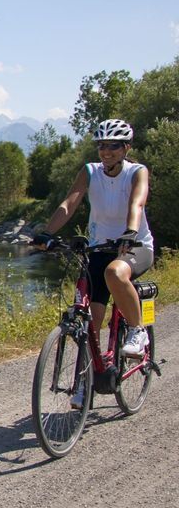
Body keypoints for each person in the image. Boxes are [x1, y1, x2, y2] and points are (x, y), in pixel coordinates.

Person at [33, 118, 154, 408]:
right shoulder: (90, 172)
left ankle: (137, 331)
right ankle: (85, 381)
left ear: (126, 148)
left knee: (115, 271)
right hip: (99, 248)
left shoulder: (137, 172)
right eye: (102, 145)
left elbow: (136, 203)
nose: (106, 151)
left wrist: (130, 232)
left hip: (135, 245)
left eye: (113, 146)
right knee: (90, 322)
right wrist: (47, 233)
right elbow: (69, 203)